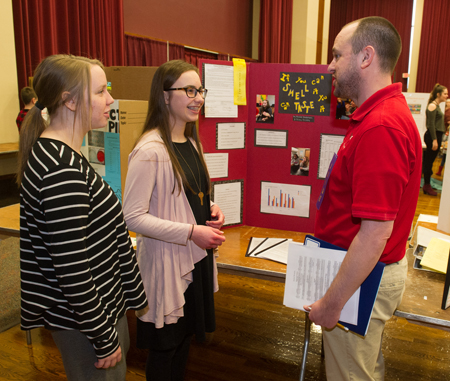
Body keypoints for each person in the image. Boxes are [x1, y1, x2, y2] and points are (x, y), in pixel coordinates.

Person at [303, 17, 421, 380]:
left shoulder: (381, 126)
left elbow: (373, 234)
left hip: (362, 277)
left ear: (365, 57)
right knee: (363, 367)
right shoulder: (376, 117)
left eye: (338, 55)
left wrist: (331, 304)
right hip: (361, 271)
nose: (330, 65)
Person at [18, 54, 147, 381]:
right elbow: (72, 270)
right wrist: (104, 338)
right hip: (88, 325)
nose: (111, 99)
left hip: (96, 315)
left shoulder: (62, 155)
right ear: (70, 101)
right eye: (101, 91)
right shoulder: (61, 171)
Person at [122, 60, 226, 380]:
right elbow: (133, 216)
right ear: (165, 96)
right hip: (168, 262)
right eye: (190, 90)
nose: (198, 98)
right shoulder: (150, 150)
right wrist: (191, 231)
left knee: (183, 342)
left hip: (194, 257)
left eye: (200, 90)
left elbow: (186, 192)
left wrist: (210, 206)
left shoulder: (192, 141)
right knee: (165, 348)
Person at [422, 83, 448, 195]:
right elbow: (431, 125)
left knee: (429, 162)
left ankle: (426, 184)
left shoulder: (436, 106)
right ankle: (426, 185)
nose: (447, 95)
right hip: (433, 136)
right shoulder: (432, 106)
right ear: (438, 94)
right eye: (445, 93)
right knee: (428, 162)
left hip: (436, 136)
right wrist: (434, 140)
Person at [435, 98, 450, 176]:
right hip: (443, 131)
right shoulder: (442, 109)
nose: (447, 103)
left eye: (448, 102)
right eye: (447, 102)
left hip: (447, 132)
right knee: (444, 154)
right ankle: (440, 171)